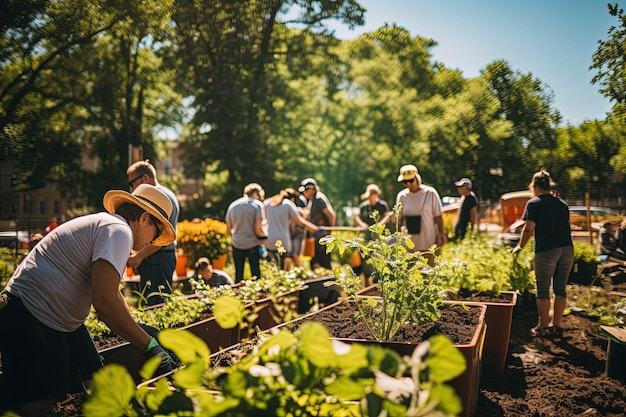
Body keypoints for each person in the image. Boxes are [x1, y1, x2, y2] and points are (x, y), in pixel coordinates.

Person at [0, 184, 177, 416]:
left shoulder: (109, 225)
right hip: (32, 314)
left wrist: (136, 325)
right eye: (157, 232)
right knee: (39, 396)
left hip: (42, 312)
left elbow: (111, 293)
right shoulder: (119, 231)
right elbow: (103, 304)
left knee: (92, 372)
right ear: (144, 219)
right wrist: (148, 345)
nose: (153, 241)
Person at [512, 170, 574, 338]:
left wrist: (519, 247)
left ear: (534, 186)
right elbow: (567, 227)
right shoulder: (562, 203)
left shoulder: (534, 203)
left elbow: (528, 229)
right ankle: (557, 326)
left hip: (547, 250)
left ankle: (543, 326)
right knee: (560, 288)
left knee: (543, 288)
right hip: (567, 249)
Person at [126, 160, 180, 305]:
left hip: (159, 258)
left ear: (145, 178)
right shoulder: (160, 195)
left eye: (132, 183)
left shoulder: (162, 198)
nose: (132, 190)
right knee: (151, 303)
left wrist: (138, 257)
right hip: (155, 258)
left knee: (157, 305)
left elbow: (163, 238)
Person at [395, 164, 446, 264]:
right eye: (405, 182)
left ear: (417, 178)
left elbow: (438, 216)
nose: (409, 184)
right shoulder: (402, 196)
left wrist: (441, 234)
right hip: (410, 247)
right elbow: (398, 220)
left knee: (431, 274)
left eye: (411, 180)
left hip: (430, 245)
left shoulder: (430, 193)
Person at [264, 189, 319, 269]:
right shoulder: (288, 204)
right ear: (292, 199)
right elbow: (299, 221)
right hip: (283, 240)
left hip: (269, 240)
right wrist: (314, 228)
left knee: (272, 266)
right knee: (284, 268)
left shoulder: (268, 203)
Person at [225, 183, 267, 283]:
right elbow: (258, 229)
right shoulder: (257, 205)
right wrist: (265, 236)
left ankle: (237, 295)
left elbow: (228, 230)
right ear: (256, 193)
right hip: (252, 243)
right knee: (255, 274)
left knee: (239, 274)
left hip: (237, 243)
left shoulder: (233, 205)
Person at [355, 184, 391, 285]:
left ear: (376, 194)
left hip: (379, 237)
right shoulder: (363, 206)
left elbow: (387, 217)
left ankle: (379, 283)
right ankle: (366, 284)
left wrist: (379, 225)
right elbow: (357, 217)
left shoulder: (382, 205)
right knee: (366, 260)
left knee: (379, 259)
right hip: (366, 238)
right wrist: (362, 225)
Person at [298, 178, 336, 270]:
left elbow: (331, 215)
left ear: (312, 189)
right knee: (314, 263)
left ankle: (330, 282)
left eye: (306, 190)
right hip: (316, 236)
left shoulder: (319, 199)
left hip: (322, 236)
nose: (305, 193)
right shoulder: (312, 199)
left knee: (324, 263)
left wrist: (329, 231)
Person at [286, 187, 308, 268]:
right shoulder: (286, 207)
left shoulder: (297, 207)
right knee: (288, 256)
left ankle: (299, 272)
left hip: (297, 234)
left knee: (295, 255)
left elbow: (305, 215)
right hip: (289, 234)